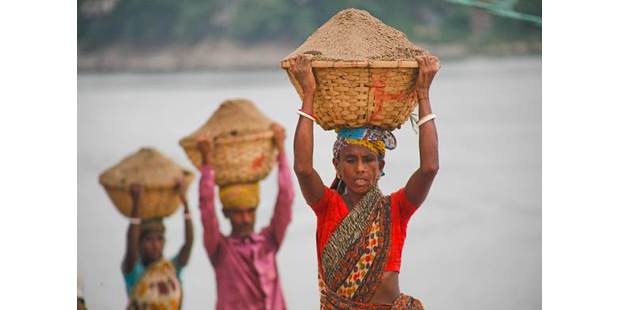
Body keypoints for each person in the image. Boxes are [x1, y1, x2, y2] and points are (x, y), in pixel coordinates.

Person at [289, 54, 440, 309]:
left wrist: (423, 94)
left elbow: (430, 167)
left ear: (380, 166)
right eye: (350, 160)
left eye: (368, 160)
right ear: (337, 166)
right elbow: (303, 169)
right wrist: (309, 93)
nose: (360, 168)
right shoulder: (327, 206)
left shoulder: (395, 209)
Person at [197, 123, 294, 310]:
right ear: (226, 214)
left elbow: (286, 199)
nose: (246, 218)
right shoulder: (220, 249)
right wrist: (207, 162)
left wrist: (281, 151)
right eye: (239, 213)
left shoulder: (269, 242)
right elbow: (206, 209)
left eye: (250, 211)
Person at [121, 180, 194, 309]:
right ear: (139, 244)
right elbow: (131, 244)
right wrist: (136, 202)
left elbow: (188, 244)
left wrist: (186, 204)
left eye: (159, 239)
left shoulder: (171, 269)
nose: (155, 245)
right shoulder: (134, 271)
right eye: (149, 240)